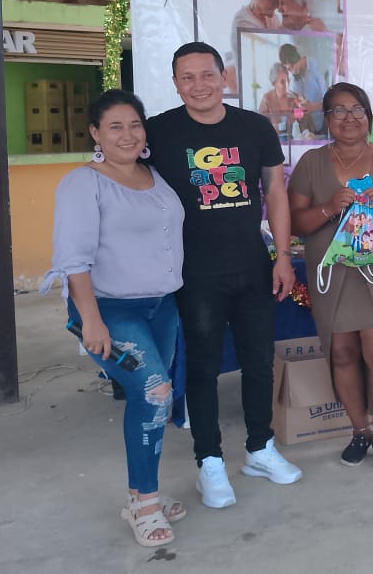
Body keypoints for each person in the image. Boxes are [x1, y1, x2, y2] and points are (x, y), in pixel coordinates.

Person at [145, 41, 301, 510]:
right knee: (203, 367)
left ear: (224, 78)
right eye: (187, 77)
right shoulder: (159, 132)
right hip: (194, 273)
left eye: (207, 75)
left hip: (252, 264)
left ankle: (259, 448)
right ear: (176, 84)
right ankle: (209, 462)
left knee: (259, 361)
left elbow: (275, 193)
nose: (199, 86)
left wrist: (282, 256)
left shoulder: (254, 127)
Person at [41, 89, 186, 547]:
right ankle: (144, 504)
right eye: (115, 127)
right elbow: (73, 260)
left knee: (155, 401)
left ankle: (142, 494)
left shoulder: (154, 175)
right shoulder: (84, 183)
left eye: (135, 124)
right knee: (154, 393)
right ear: (96, 133)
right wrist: (91, 321)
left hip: (161, 305)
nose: (127, 134)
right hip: (110, 309)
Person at [288, 83, 373, 472]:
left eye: (357, 110)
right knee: (342, 352)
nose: (349, 118)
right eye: (339, 110)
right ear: (327, 119)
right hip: (332, 272)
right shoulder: (311, 163)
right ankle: (359, 431)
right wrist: (329, 207)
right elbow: (295, 223)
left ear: (368, 116)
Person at [227, 0, 282, 93]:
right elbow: (264, 62)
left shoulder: (273, 18)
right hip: (251, 92)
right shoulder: (243, 22)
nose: (276, 5)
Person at [279, 42, 326, 135]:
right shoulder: (293, 78)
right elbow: (297, 108)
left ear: (297, 58)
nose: (292, 71)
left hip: (324, 123)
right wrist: (296, 114)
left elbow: (330, 101)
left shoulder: (315, 66)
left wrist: (313, 107)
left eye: (292, 67)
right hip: (309, 129)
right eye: (289, 69)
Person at [258, 61, 298, 138]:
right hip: (271, 139)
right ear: (274, 83)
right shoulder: (267, 99)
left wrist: (306, 133)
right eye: (282, 82)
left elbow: (302, 119)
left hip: (290, 141)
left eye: (288, 80)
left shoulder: (293, 98)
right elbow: (260, 124)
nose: (287, 85)